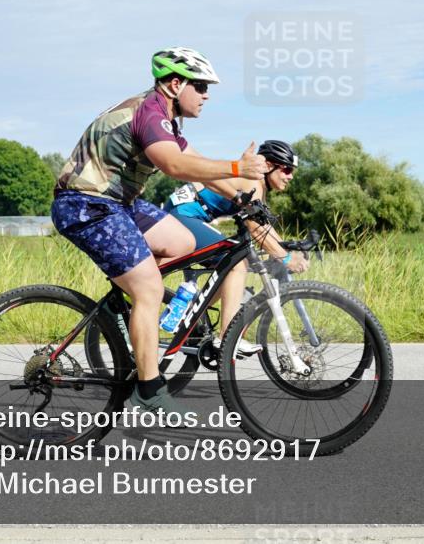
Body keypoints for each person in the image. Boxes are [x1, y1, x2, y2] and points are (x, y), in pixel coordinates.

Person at [51, 47, 267, 417]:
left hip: (120, 203)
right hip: (85, 204)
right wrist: (236, 165)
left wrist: (243, 197)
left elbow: (197, 165)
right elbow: (175, 165)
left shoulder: (166, 121)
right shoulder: (150, 112)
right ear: (173, 83)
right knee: (150, 285)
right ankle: (149, 388)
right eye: (200, 86)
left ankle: (135, 306)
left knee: (182, 241)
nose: (206, 95)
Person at [163, 139, 310, 353]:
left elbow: (262, 226)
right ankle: (227, 339)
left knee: (233, 265)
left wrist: (284, 249)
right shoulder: (253, 182)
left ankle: (193, 310)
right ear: (269, 166)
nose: (290, 176)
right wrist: (286, 259)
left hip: (190, 215)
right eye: (286, 169)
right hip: (182, 215)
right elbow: (256, 228)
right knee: (236, 264)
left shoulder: (258, 185)